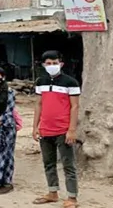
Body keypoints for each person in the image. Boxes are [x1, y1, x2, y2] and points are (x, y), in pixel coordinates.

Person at [32, 51, 80, 207]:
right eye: (48, 63)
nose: (51, 66)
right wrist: (35, 127)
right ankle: (52, 192)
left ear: (61, 63)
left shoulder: (70, 82)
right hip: (45, 129)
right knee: (49, 163)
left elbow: (75, 107)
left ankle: (72, 197)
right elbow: (38, 104)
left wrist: (71, 130)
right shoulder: (40, 82)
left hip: (63, 130)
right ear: (44, 65)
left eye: (54, 62)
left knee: (68, 165)